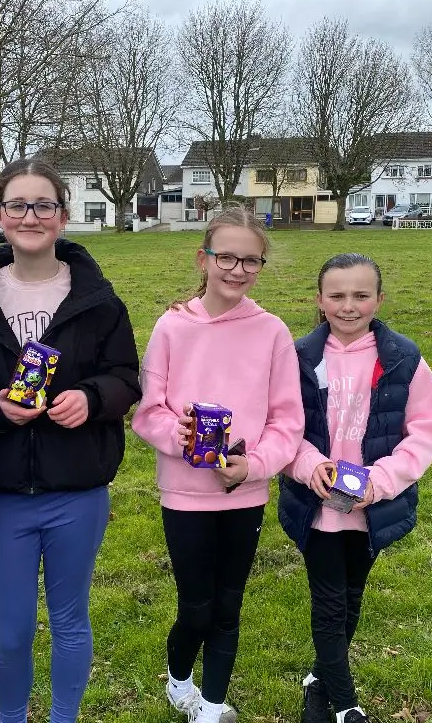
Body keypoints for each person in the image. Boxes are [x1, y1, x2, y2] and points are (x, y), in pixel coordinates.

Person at [0, 159, 141, 723]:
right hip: (5, 494)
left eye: (43, 205)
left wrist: (91, 398)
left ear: (62, 215)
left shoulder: (98, 300)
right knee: (11, 631)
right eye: (17, 205)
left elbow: (126, 377)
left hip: (77, 490)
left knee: (69, 621)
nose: (30, 216)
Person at [130, 207, 306, 723]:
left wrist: (254, 465)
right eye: (226, 257)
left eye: (251, 260)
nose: (238, 269)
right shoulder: (172, 327)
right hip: (185, 496)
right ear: (202, 259)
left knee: (228, 607)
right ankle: (179, 680)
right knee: (196, 608)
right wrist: (180, 438)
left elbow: (287, 420)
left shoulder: (272, 332)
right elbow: (148, 411)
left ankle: (209, 706)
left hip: (244, 495)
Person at [277, 253, 432, 723]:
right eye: (336, 295)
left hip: (370, 506)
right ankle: (347, 705)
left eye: (360, 295)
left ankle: (318, 680)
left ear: (379, 299)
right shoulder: (299, 357)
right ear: (319, 300)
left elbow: (424, 430)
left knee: (351, 597)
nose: (348, 306)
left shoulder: (403, 359)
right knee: (330, 604)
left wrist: (381, 481)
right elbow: (281, 426)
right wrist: (308, 464)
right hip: (317, 506)